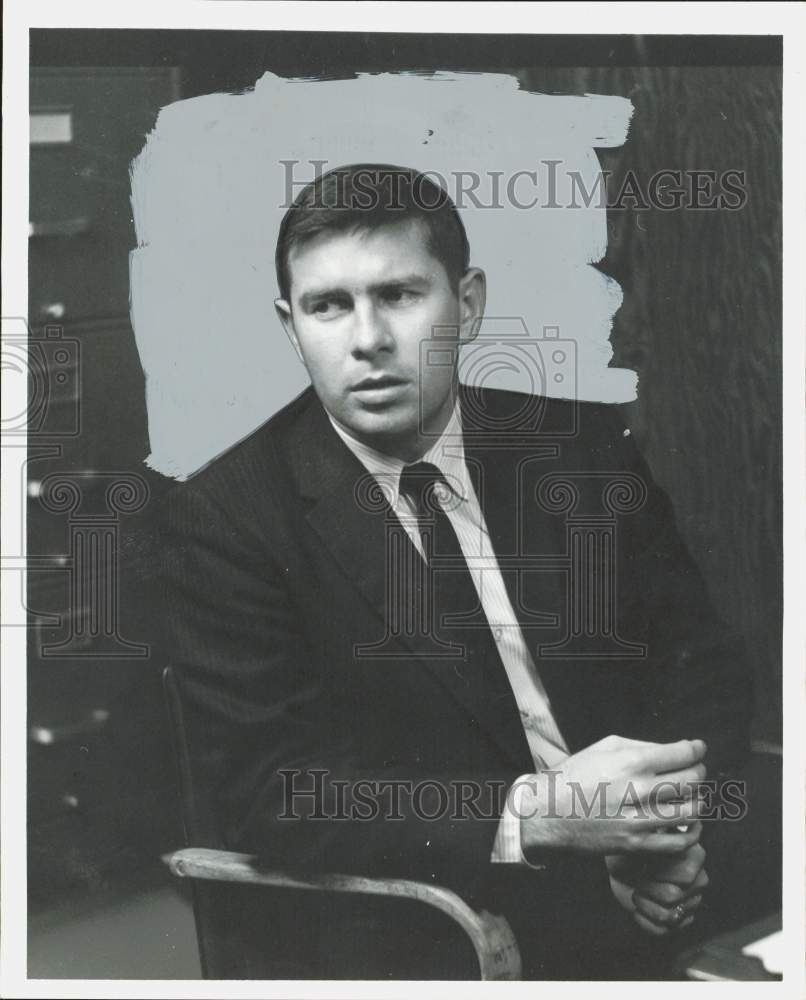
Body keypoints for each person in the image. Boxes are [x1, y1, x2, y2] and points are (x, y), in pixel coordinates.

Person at [160, 164, 753, 979]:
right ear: (290, 325)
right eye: (327, 305)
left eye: (400, 295)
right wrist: (539, 818)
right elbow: (273, 792)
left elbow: (706, 669)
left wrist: (664, 836)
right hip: (438, 916)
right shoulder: (228, 518)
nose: (366, 338)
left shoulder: (575, 448)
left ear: (466, 304)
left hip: (655, 870)